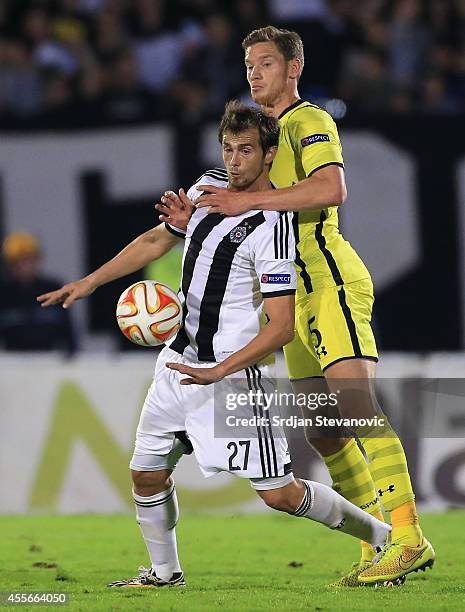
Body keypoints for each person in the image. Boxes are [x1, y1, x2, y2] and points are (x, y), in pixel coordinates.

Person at [38, 101, 390, 588]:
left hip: (233, 377)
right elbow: (155, 241)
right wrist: (90, 282)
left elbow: (282, 327)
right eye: (228, 148)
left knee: (280, 495)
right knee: (146, 474)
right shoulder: (205, 190)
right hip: (179, 364)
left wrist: (219, 372)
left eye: (246, 150)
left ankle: (383, 537)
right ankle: (165, 575)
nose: (234, 160)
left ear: (269, 156)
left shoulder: (274, 228)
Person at [158, 27, 435, 587]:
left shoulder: (309, 121)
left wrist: (244, 199)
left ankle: (407, 537)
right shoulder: (264, 136)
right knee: (326, 432)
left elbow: (331, 189)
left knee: (354, 405)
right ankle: (379, 542)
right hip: (292, 295)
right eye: (248, 64)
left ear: (294, 68)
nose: (254, 73)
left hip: (327, 277)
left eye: (265, 63)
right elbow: (252, 220)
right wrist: (204, 222)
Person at [0, 232, 76, 353]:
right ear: (10, 264)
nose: (25, 266)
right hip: (13, 363)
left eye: (29, 259)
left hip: (50, 359)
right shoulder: (3, 294)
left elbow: (69, 333)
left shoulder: (54, 289)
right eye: (19, 261)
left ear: (38, 259)